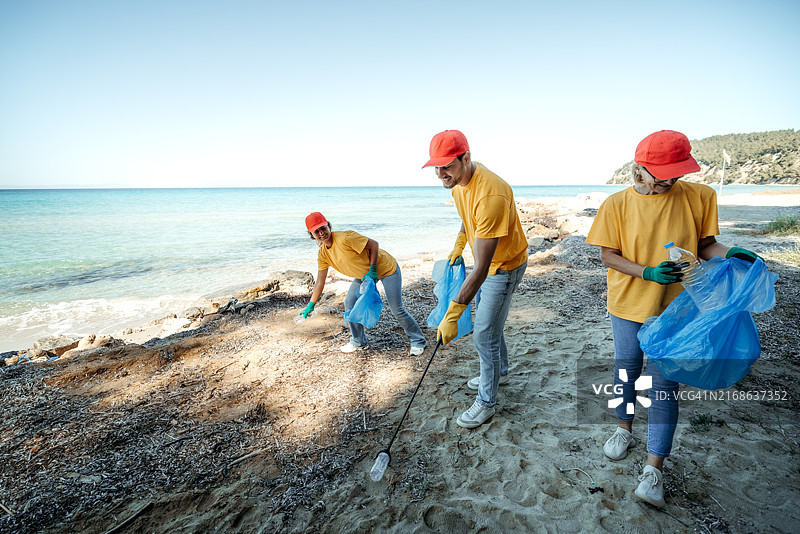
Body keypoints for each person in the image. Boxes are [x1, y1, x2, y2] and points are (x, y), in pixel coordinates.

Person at [586, 130, 761, 508]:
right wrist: (646, 272)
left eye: (676, 173)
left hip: (680, 308)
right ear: (640, 168)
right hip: (629, 302)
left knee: (665, 384)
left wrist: (732, 251)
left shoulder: (700, 196)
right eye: (661, 174)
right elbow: (608, 255)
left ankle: (654, 470)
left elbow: (705, 246)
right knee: (627, 370)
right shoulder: (616, 204)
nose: (670, 180)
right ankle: (623, 428)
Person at [422, 130, 529, 429]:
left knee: (484, 333)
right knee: (489, 323)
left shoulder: (491, 194)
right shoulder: (458, 184)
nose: (441, 173)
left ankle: (486, 402)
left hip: (504, 267)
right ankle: (501, 369)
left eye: (447, 166)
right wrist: (459, 243)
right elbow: (467, 217)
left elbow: (481, 268)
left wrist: (453, 313)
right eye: (436, 167)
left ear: (466, 158)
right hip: (488, 263)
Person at [300, 212, 427, 356]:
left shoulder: (345, 237)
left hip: (386, 268)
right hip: (364, 275)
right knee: (350, 303)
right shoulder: (323, 254)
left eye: (323, 228)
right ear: (312, 235)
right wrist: (311, 304)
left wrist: (373, 269)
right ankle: (359, 341)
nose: (321, 233)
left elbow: (374, 245)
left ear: (328, 225)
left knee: (396, 308)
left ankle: (418, 341)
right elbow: (320, 282)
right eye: (316, 231)